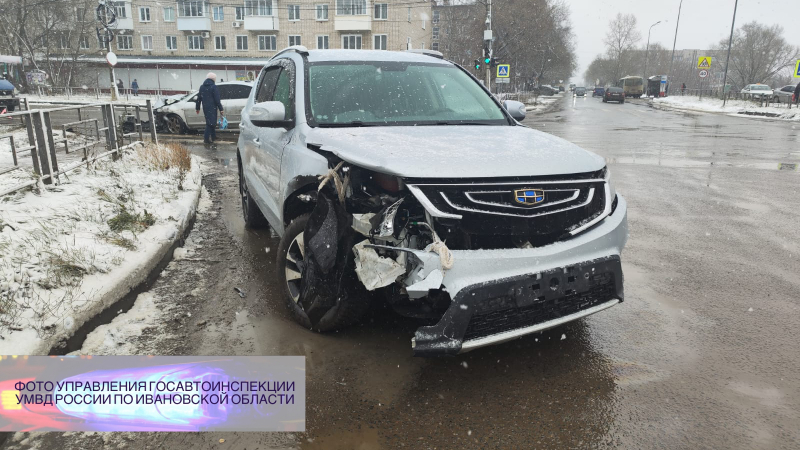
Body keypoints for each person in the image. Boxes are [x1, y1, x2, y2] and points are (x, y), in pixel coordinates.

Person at [195, 72, 224, 144]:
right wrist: (221, 109)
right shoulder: (214, 87)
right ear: (213, 79)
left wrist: (197, 108)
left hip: (205, 107)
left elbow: (199, 98)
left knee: (211, 122)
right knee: (210, 123)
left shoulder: (202, 87)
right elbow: (217, 99)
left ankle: (213, 136)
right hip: (213, 107)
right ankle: (206, 139)